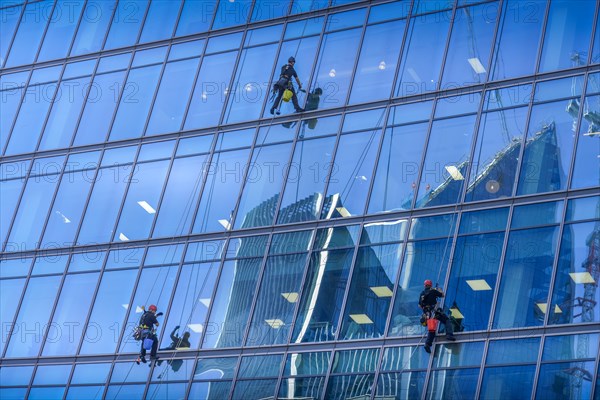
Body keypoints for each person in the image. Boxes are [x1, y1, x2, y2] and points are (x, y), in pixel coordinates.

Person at [419, 280, 455, 353]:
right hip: (434, 311)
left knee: (432, 329)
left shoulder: (422, 294)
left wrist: (426, 310)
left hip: (427, 314)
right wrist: (439, 289)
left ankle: (427, 344)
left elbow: (419, 305)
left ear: (424, 285)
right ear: (430, 285)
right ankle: (449, 335)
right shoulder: (433, 291)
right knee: (446, 320)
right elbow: (442, 295)